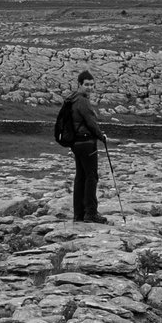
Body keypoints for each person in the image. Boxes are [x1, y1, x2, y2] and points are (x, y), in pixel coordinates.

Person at [62, 70, 106, 223]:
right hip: (87, 143)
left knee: (81, 176)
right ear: (79, 84)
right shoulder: (82, 101)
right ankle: (91, 213)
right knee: (91, 176)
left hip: (76, 143)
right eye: (86, 84)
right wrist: (102, 136)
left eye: (92, 85)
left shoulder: (71, 99)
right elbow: (91, 122)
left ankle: (78, 214)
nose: (89, 87)